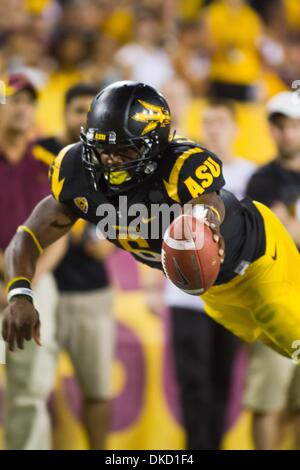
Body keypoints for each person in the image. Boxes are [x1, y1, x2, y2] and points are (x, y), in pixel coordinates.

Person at [2, 81, 300, 366]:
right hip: (213, 291)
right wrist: (19, 293)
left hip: (260, 260)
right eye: (102, 148)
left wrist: (203, 222)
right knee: (274, 346)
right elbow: (28, 236)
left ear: (154, 146)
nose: (110, 160)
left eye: (124, 150)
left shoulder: (180, 165)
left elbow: (208, 202)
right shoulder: (77, 172)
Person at [164, 98, 256, 449]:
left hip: (231, 295)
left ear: (236, 127)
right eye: (208, 121)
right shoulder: (178, 178)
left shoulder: (251, 174)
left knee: (222, 381)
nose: (214, 128)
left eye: (220, 121)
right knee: (193, 383)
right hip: (185, 296)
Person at [33, 83, 116, 450]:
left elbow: (125, 224)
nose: (83, 119)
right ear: (62, 113)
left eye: (89, 112)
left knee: (97, 389)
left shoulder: (114, 160)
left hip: (91, 292)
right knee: (34, 389)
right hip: (43, 289)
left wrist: (110, 243)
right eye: (76, 110)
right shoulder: (39, 156)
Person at [0, 73, 66, 450]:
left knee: (29, 388)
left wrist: (23, 281)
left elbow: (61, 232)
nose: (23, 108)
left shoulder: (48, 162)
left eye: (29, 101)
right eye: (14, 99)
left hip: (33, 285)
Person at [244, 91, 300, 450]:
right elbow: (258, 245)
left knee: (296, 405)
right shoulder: (260, 180)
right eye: (278, 126)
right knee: (266, 401)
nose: (285, 134)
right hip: (275, 303)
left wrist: (289, 229)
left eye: (293, 125)